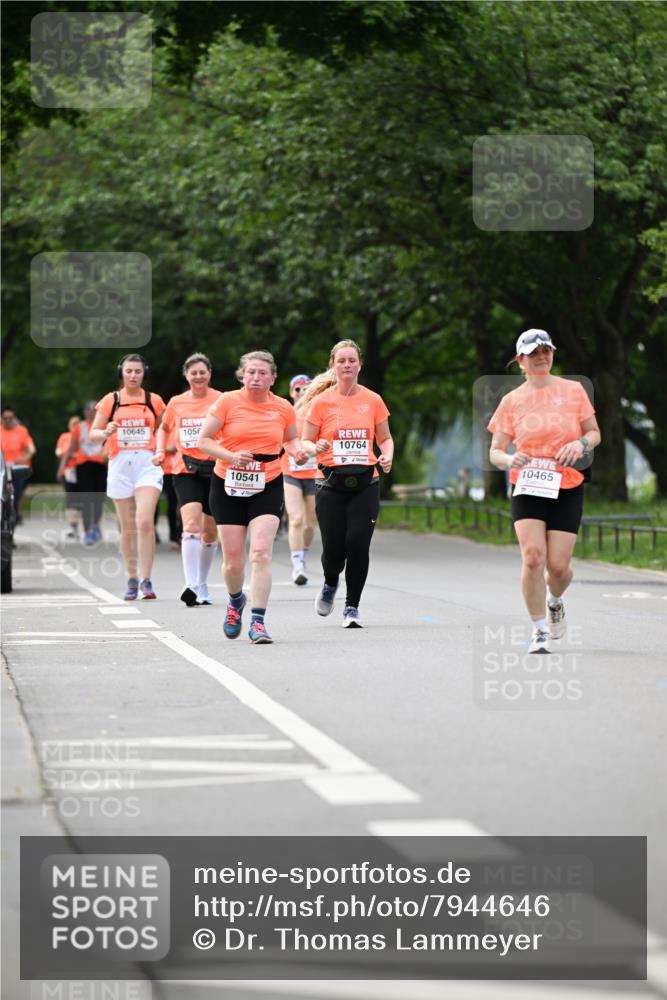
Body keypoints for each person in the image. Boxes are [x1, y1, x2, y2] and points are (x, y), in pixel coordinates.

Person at [488, 329, 601, 654]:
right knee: (533, 557)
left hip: (567, 484)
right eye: (533, 353)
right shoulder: (511, 401)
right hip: (528, 484)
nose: (541, 356)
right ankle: (539, 629)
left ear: (552, 353)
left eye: (546, 350)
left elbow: (594, 433)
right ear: (520, 360)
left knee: (559, 568)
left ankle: (554, 599)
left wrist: (579, 444)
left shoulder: (573, 390)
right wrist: (510, 459)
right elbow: (495, 452)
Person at [198, 350, 309, 644]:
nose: (256, 378)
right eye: (251, 372)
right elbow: (204, 440)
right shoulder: (227, 402)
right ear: (242, 375)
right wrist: (231, 456)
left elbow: (290, 439)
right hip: (228, 484)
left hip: (268, 483)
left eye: (262, 373)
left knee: (260, 553)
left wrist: (298, 452)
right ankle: (236, 601)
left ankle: (258, 622)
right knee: (233, 562)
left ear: (272, 378)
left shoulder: (283, 407)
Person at [300, 339, 394, 629]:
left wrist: (387, 455)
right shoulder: (321, 403)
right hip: (329, 483)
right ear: (333, 365)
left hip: (366, 482)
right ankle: (330, 582)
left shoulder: (373, 400)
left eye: (352, 360)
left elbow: (385, 438)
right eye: (341, 361)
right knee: (334, 549)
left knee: (358, 544)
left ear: (359, 365)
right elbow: (305, 440)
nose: (347, 365)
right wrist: (315, 448)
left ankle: (352, 607)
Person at [89, 355, 165, 600]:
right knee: (127, 526)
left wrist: (161, 449)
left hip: (147, 464)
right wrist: (106, 431)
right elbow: (93, 434)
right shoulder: (111, 400)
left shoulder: (153, 401)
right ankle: (132, 577)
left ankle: (146, 579)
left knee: (145, 521)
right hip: (120, 464)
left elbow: (164, 429)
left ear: (144, 373)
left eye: (137, 371)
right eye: (129, 371)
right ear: (121, 372)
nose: (133, 375)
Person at [156, 353, 221, 606]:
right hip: (186, 468)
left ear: (209, 374)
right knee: (191, 524)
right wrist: (160, 450)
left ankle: (202, 583)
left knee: (210, 531)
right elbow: (163, 428)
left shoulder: (221, 400)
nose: (198, 376)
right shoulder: (176, 402)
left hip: (216, 468)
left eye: (202, 372)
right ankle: (190, 584)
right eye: (193, 372)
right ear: (186, 375)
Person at [281, 374, 318, 585]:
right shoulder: (287, 413)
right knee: (295, 519)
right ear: (291, 392)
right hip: (290, 473)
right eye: (298, 389)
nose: (302, 392)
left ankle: (302, 554)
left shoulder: (318, 412)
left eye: (307, 388)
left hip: (313, 474)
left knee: (309, 524)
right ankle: (297, 566)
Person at [57, 401, 108, 545]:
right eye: (88, 409)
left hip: (101, 466)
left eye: (94, 409)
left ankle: (95, 524)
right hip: (84, 466)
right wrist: (61, 468)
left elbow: (111, 447)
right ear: (84, 412)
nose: (91, 412)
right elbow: (70, 450)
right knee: (86, 498)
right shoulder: (79, 428)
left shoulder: (105, 427)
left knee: (99, 498)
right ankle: (88, 530)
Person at [0, 405, 36, 523]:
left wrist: (21, 459)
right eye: (5, 418)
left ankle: (15, 514)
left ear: (14, 418)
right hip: (1, 468)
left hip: (16, 468)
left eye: (10, 418)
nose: (7, 421)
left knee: (17, 493)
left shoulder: (21, 431)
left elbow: (31, 450)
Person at [55, 416, 81, 538]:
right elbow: (59, 452)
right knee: (71, 498)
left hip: (82, 470)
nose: (75, 428)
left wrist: (71, 454)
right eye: (73, 425)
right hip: (69, 471)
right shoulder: (64, 437)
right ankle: (73, 526)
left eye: (77, 425)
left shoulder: (82, 438)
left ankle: (84, 525)